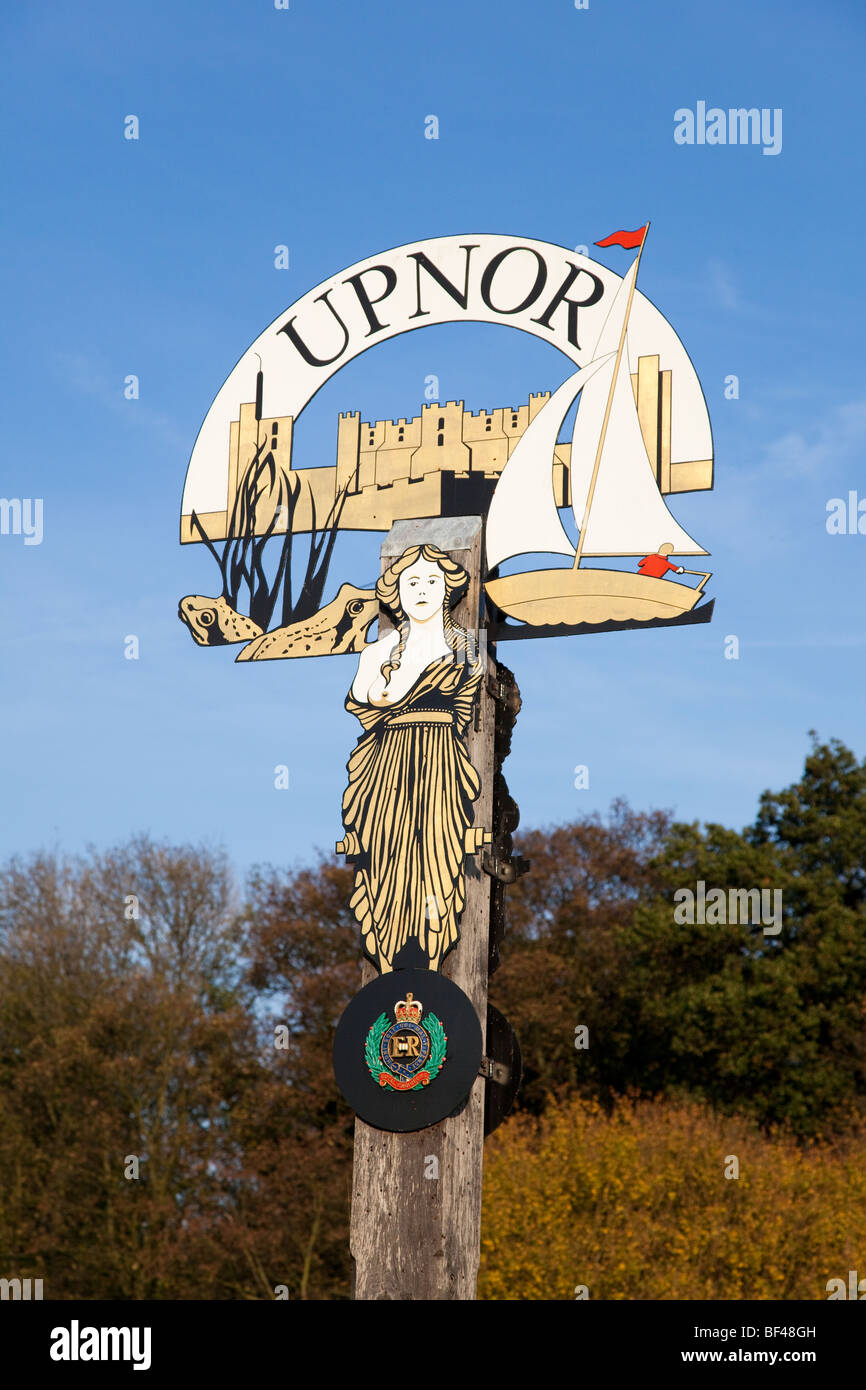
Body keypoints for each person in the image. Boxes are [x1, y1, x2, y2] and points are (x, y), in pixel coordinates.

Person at [339, 543, 483, 974]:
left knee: (438, 854)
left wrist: (395, 693)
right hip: (387, 765)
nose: (421, 589)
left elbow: (468, 698)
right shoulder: (376, 652)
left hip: (440, 760)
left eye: (432, 581)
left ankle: (434, 955)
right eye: (411, 581)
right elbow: (364, 699)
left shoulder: (466, 645)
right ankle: (386, 959)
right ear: (395, 592)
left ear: (447, 590)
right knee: (386, 855)